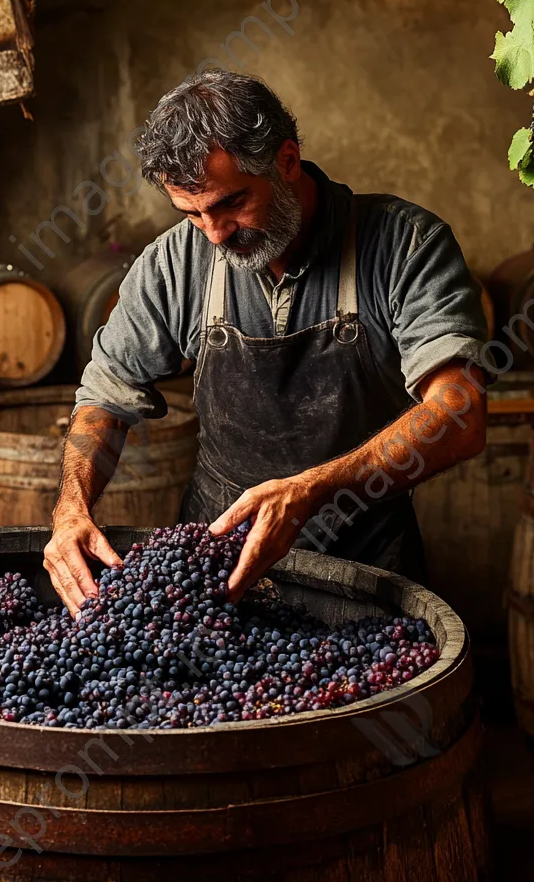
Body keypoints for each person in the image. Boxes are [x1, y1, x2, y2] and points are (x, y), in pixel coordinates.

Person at [44, 70, 490, 616]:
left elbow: (459, 412)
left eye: (231, 203)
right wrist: (71, 509)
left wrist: (311, 489)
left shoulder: (405, 245)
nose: (213, 232)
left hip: (369, 569)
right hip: (215, 569)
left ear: (286, 161)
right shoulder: (172, 264)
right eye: (191, 213)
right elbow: (104, 400)